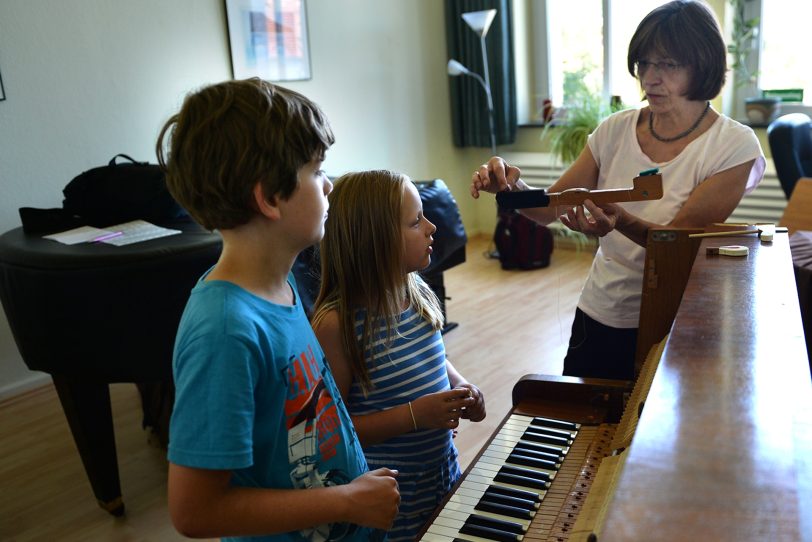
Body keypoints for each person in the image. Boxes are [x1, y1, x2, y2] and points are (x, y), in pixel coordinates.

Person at [156, 78, 400, 541]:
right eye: (315, 169)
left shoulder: (282, 284)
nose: (328, 183)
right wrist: (346, 500)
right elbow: (195, 511)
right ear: (269, 197)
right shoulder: (225, 331)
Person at [470, 0, 765, 381]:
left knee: (649, 437)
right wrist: (511, 188)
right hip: (600, 310)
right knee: (583, 428)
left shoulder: (733, 145)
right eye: (644, 63)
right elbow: (550, 208)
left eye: (668, 64)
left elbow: (677, 243)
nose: (650, 78)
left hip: (671, 319)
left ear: (702, 64)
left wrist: (619, 220)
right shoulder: (614, 130)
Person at [311, 170, 486, 541]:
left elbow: (432, 356)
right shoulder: (336, 325)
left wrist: (461, 385)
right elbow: (333, 434)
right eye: (415, 221)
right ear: (374, 241)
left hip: (440, 472)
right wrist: (414, 416)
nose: (431, 226)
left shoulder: (415, 290)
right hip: (391, 498)